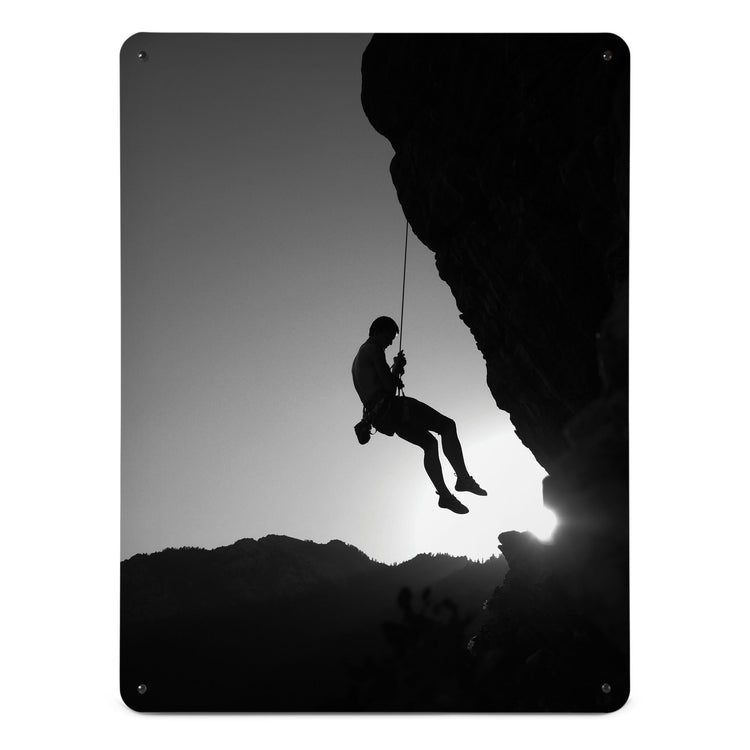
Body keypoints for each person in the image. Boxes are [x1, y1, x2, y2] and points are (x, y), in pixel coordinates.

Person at [352, 316, 487, 514]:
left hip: (382, 417)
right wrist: (397, 368)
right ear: (378, 331)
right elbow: (389, 387)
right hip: (395, 408)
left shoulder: (360, 357)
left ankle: (445, 496)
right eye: (389, 337)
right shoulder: (374, 349)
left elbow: (377, 385)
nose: (390, 342)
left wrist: (394, 369)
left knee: (430, 445)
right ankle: (463, 478)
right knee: (447, 426)